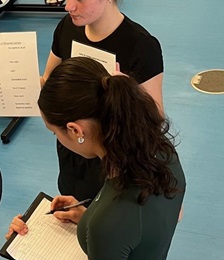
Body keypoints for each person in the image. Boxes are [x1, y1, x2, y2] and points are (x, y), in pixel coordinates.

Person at [8, 57, 184, 260]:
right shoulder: (158, 154)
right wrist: (84, 214)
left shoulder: (110, 218)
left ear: (75, 130)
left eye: (55, 132)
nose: (57, 139)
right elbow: (164, 217)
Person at [45, 0, 164, 202]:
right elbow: (48, 81)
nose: (69, 6)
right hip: (74, 150)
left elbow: (154, 121)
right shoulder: (68, 27)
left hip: (113, 166)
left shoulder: (141, 46)